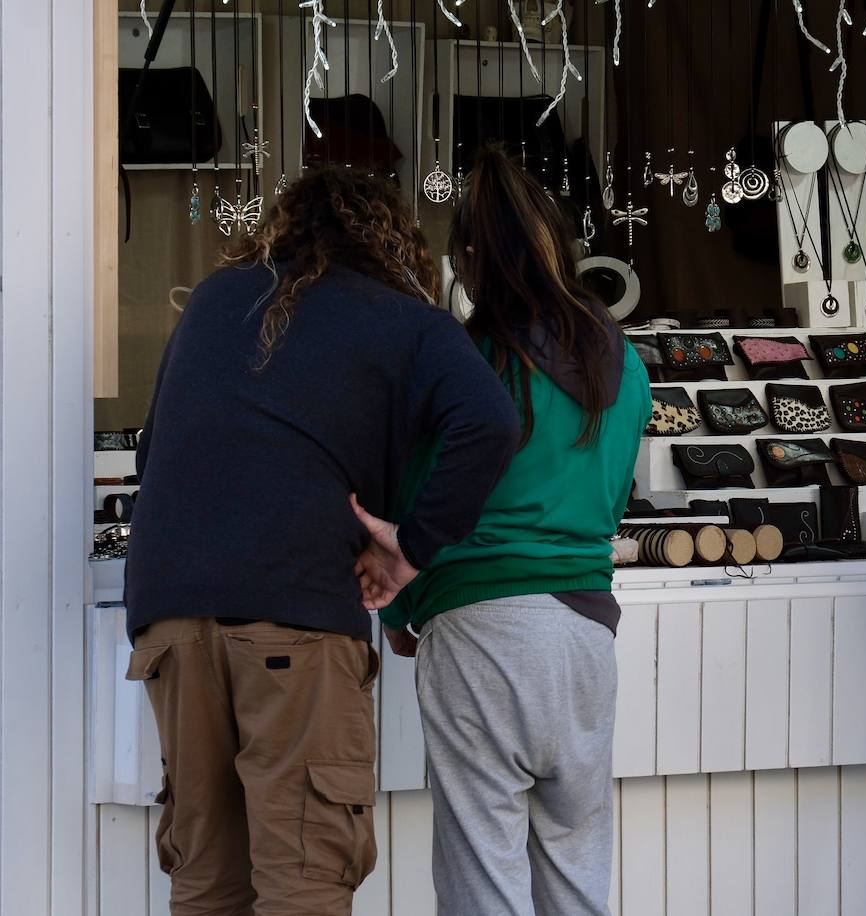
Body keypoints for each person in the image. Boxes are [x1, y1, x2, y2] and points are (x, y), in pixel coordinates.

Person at [123, 167, 521, 916]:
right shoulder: (408, 320)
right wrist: (412, 545)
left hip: (168, 616)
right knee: (303, 879)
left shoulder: (214, 298)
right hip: (295, 612)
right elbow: (491, 422)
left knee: (204, 878)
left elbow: (154, 455)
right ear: (392, 240)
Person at [353, 146, 651, 916]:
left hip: (481, 634)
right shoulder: (621, 358)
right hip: (587, 638)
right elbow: (612, 502)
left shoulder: (465, 360)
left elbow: (416, 499)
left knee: (485, 887)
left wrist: (399, 608)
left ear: (473, 259)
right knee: (577, 883)